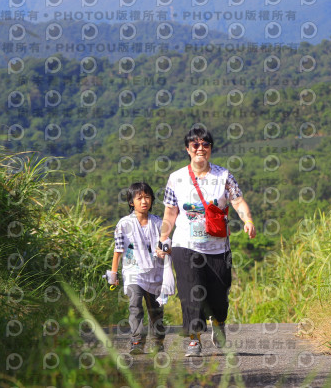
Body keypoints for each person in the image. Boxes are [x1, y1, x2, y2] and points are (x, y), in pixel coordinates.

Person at [156, 126, 256, 357]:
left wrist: (248, 220)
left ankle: (218, 324)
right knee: (191, 292)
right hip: (185, 244)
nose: (201, 148)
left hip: (218, 246)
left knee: (219, 295)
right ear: (187, 149)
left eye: (205, 144)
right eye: (195, 145)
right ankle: (194, 339)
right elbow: (170, 212)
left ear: (210, 148)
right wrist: (163, 238)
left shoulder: (223, 176)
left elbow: (238, 201)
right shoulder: (176, 178)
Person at [108, 182, 166, 354]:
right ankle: (137, 341)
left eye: (147, 197)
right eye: (139, 198)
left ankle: (157, 341)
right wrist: (113, 274)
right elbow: (118, 250)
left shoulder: (158, 223)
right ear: (131, 202)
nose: (144, 201)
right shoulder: (124, 224)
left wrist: (165, 250)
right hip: (133, 270)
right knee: (135, 305)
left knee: (155, 310)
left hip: (155, 271)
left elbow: (167, 245)